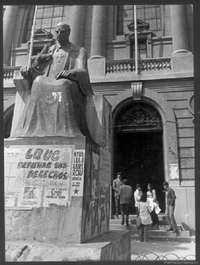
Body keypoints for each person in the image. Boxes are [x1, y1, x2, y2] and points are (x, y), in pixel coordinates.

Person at [13, 22, 93, 138]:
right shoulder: (50, 50)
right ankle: (34, 129)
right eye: (57, 32)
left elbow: (83, 71)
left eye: (62, 31)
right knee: (38, 81)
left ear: (69, 32)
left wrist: (70, 72)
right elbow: (39, 71)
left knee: (63, 84)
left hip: (70, 82)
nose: (59, 34)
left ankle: (65, 130)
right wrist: (27, 70)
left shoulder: (79, 51)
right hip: (50, 81)